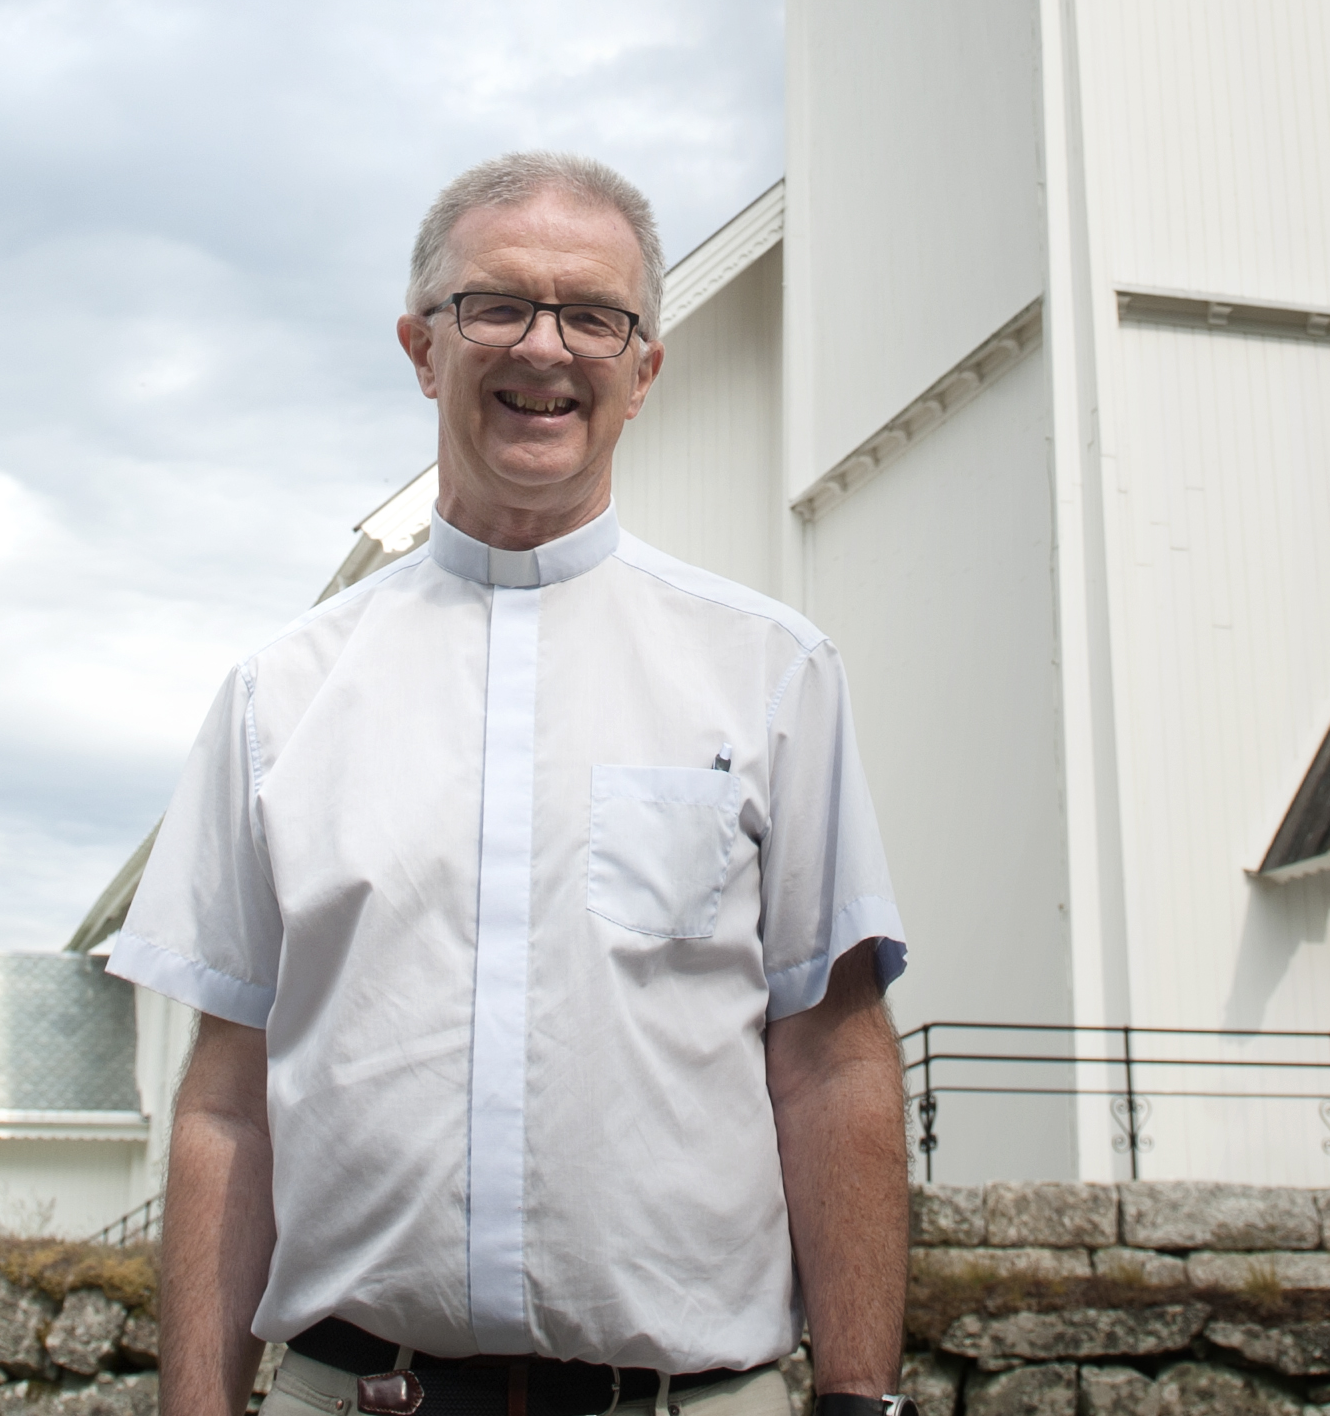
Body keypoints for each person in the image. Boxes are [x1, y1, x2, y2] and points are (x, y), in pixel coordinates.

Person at [110, 152, 912, 1416]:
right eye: (498, 306)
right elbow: (226, 1102)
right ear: (422, 350)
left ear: (644, 371)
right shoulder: (280, 698)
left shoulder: (772, 676)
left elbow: (832, 1059)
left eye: (594, 315)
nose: (548, 346)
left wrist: (863, 1398)